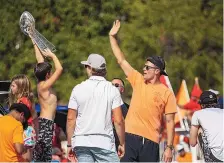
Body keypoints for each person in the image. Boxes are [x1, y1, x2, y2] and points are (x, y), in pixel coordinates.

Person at [109, 20, 177, 162]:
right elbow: (121, 60)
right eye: (144, 67)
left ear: (157, 71)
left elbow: (170, 122)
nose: (144, 69)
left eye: (147, 67)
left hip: (151, 142)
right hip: (129, 137)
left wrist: (169, 148)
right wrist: (112, 37)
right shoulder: (138, 80)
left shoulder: (167, 93)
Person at [67, 54, 125, 162]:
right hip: (104, 142)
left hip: (81, 142)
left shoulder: (77, 89)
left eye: (86, 66)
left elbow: (71, 119)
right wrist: (122, 143)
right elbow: (118, 120)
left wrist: (69, 144)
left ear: (90, 68)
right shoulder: (112, 90)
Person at [30, 37, 63, 162]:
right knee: (43, 156)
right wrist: (52, 56)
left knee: (44, 156)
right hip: (45, 124)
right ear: (47, 74)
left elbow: (40, 60)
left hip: (45, 123)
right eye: (50, 71)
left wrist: (33, 39)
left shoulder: (42, 83)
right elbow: (60, 69)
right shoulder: (44, 86)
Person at [9, 74, 38, 161]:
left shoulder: (22, 101)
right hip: (28, 130)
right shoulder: (25, 100)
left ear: (20, 87)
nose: (11, 88)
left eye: (13, 86)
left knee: (24, 158)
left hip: (24, 131)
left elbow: (20, 118)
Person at [190, 90, 224, 162]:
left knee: (200, 130)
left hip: (215, 157)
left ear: (201, 104)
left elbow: (192, 143)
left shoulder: (197, 114)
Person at [111, 78, 129, 151]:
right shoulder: (102, 106)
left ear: (122, 90)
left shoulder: (128, 108)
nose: (113, 87)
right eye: (111, 85)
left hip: (122, 145)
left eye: (116, 85)